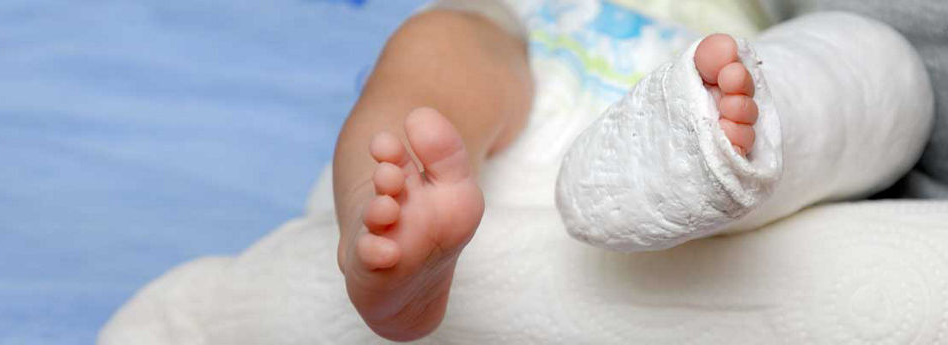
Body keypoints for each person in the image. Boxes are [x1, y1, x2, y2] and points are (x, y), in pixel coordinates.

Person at [331, 0, 945, 341]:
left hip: (696, 88)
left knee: (867, 61)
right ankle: (386, 226)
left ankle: (710, 158)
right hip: (528, 95)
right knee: (440, 41)